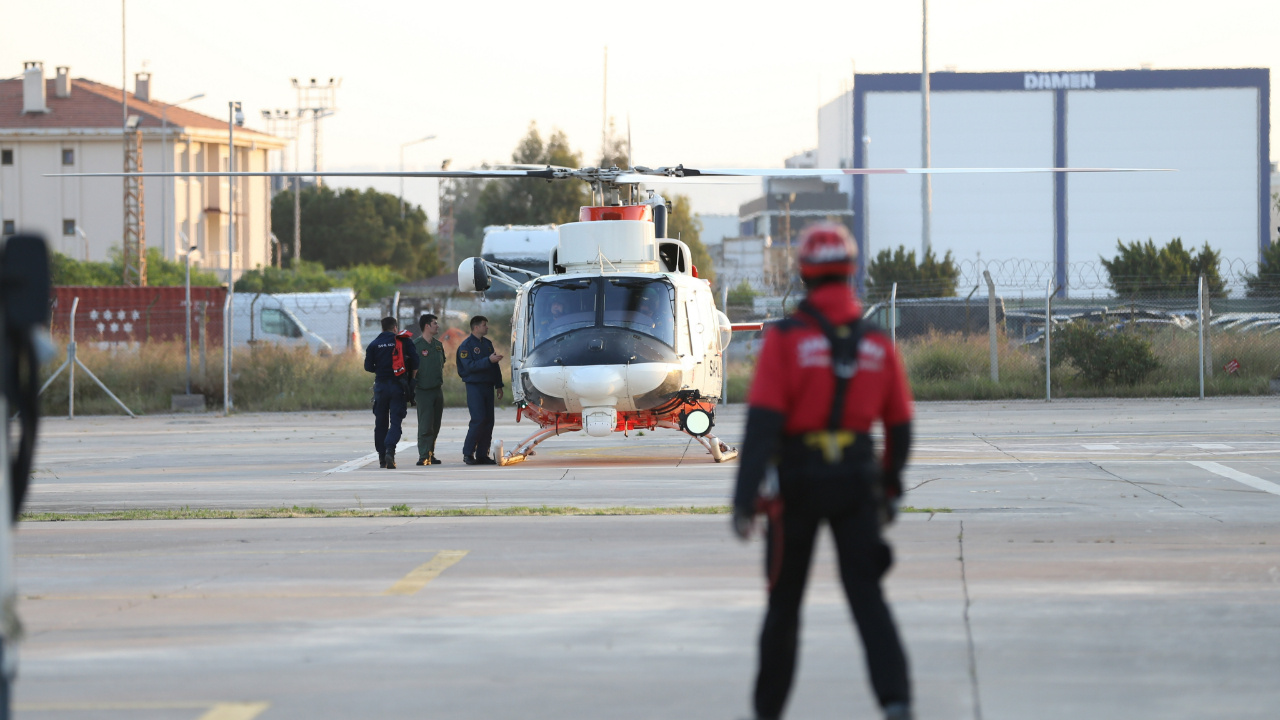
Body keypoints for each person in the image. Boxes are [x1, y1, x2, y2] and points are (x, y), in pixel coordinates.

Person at [732, 223, 915, 720]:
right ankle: (896, 702)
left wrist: (744, 499)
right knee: (867, 598)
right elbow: (900, 427)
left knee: (785, 606)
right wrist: (890, 487)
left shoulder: (788, 339)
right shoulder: (877, 343)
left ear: (805, 274)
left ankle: (767, 711)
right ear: (851, 273)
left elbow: (763, 426)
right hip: (857, 480)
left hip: (798, 483)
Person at [364, 316, 419, 470]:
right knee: (395, 422)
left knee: (380, 422)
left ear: (382, 328)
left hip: (381, 386)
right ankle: (390, 450)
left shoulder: (374, 344)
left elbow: (368, 367)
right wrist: (411, 379)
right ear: (395, 328)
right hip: (398, 386)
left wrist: (381, 369)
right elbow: (416, 361)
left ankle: (382, 457)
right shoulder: (403, 341)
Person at [456, 315, 504, 465]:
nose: (487, 327)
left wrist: (499, 384)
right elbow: (469, 366)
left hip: (488, 386)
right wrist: (488, 360)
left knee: (489, 420)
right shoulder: (466, 346)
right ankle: (468, 453)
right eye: (484, 325)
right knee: (478, 419)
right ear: (476, 327)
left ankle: (483, 454)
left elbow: (494, 366)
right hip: (474, 386)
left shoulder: (488, 344)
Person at [413, 313, 447, 466]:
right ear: (427, 326)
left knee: (435, 424)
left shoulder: (438, 345)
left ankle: (430, 453)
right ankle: (423, 455)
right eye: (434, 323)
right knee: (425, 424)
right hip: (423, 390)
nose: (437, 326)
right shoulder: (416, 345)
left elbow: (442, 362)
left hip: (436, 389)